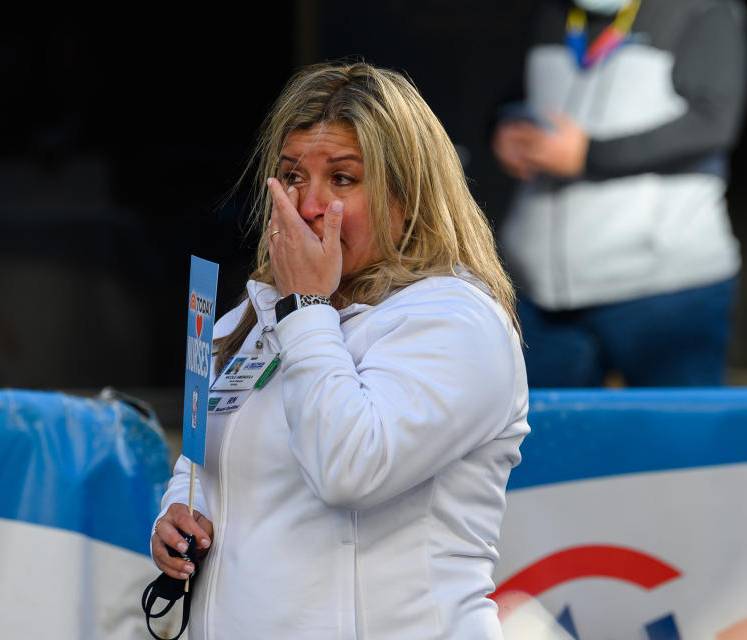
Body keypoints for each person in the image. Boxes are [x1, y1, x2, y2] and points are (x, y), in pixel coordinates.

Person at [151, 61, 530, 639]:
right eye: (293, 177)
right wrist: (179, 511)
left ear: (408, 195)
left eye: (344, 180)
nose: (307, 205)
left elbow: (350, 469)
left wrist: (306, 308)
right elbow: (203, 460)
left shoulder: (458, 318)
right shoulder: (249, 316)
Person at [492, 0, 747, 387]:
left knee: (675, 442)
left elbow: (714, 122)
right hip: (539, 291)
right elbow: (518, 97)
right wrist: (504, 129)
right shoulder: (552, 12)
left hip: (665, 288)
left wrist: (590, 155)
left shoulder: (704, 8)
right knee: (548, 441)